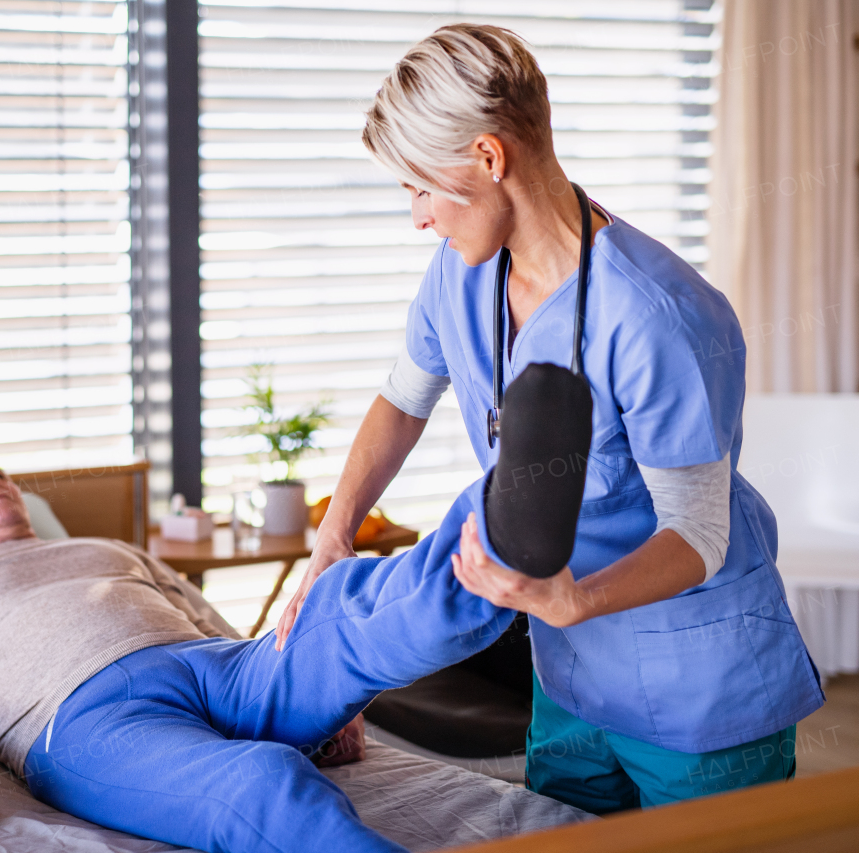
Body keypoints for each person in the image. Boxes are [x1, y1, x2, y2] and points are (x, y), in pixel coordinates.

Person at [275, 24, 824, 814]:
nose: (417, 217)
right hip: (567, 674)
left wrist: (574, 601)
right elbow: (401, 400)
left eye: (421, 187)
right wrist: (336, 533)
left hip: (696, 692)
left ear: (490, 158)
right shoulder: (459, 275)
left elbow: (699, 534)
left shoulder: (657, 316)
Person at [0, 408, 588, 852]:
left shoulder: (112, 549)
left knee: (338, 609)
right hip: (84, 718)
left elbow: (223, 627)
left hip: (214, 665)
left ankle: (502, 520)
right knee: (262, 778)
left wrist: (320, 695)